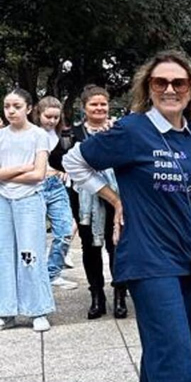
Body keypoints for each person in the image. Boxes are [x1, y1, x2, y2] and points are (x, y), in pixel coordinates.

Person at [63, 51, 191, 382]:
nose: (170, 89)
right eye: (159, 82)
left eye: (179, 83)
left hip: (187, 257)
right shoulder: (131, 130)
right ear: (147, 88)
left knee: (169, 349)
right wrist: (115, 200)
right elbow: (74, 162)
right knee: (176, 353)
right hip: (147, 258)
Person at [49, 85, 125, 319]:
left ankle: (120, 294)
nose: (99, 108)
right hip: (84, 199)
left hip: (116, 195)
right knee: (90, 247)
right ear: (84, 108)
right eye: (94, 104)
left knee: (117, 245)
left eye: (103, 104)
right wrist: (84, 169)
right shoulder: (72, 134)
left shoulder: (118, 130)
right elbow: (56, 160)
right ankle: (97, 295)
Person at [0, 89, 55, 332]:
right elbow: (29, 171)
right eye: (7, 106)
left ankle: (37, 310)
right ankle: (6, 310)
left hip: (29, 200)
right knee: (4, 254)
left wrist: (6, 175)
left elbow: (39, 174)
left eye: (17, 106)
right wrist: (22, 168)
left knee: (30, 253)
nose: (11, 111)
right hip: (3, 200)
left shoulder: (38, 135)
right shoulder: (1, 136)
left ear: (29, 108)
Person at [32, 96, 77, 291]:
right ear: (38, 114)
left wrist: (64, 171)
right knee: (34, 236)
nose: (52, 121)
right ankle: (33, 277)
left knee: (65, 231)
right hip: (34, 187)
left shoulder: (63, 136)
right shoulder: (30, 134)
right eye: (48, 117)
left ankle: (52, 273)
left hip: (57, 186)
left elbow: (67, 160)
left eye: (56, 117)